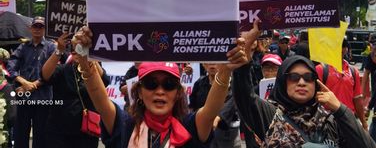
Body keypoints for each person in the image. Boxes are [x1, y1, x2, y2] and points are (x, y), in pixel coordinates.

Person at [73, 26, 247, 148]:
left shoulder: (189, 126)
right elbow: (100, 99)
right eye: (151, 84)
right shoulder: (125, 125)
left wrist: (225, 71)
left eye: (169, 85)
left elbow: (210, 111)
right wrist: (83, 55)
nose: (160, 90)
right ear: (139, 92)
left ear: (179, 93)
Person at [233, 20, 376, 147]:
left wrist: (340, 109)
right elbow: (244, 95)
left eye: (308, 77)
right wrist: (246, 50)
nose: (302, 82)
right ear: (283, 82)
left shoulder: (329, 120)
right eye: (294, 77)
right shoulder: (270, 115)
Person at [41, 32, 110, 148]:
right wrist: (59, 50)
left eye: (81, 49)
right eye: (75, 50)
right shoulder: (63, 70)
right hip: (59, 131)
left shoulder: (92, 73)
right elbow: (45, 75)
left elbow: (104, 80)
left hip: (87, 131)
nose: (78, 52)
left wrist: (89, 54)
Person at [6, 16, 54, 148]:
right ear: (30, 28)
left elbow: (54, 72)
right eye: (35, 26)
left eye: (40, 27)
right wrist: (22, 81)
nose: (37, 29)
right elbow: (10, 66)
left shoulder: (51, 48)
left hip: (43, 98)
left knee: (42, 136)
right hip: (23, 98)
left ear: (44, 29)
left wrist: (31, 86)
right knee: (20, 135)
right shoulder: (23, 46)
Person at [316, 39, 368, 130]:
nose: (340, 49)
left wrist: (363, 122)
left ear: (346, 49)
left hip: (349, 120)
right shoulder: (320, 69)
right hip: (327, 120)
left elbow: (357, 99)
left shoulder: (353, 71)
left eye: (343, 46)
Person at [189, 63, 241, 148]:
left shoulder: (232, 82)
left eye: (215, 62)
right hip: (203, 130)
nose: (212, 65)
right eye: (209, 62)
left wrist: (218, 118)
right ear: (203, 65)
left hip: (226, 131)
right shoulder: (199, 83)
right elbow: (192, 104)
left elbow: (232, 102)